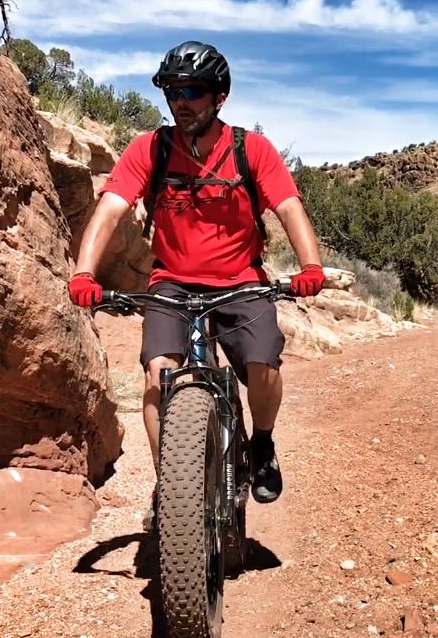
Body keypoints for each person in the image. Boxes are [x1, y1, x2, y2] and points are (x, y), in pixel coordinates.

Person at [66, 40, 324, 509]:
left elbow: (289, 208)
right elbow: (110, 210)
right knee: (157, 376)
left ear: (218, 96)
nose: (181, 102)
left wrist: (310, 267)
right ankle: (173, 488)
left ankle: (262, 443)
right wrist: (84, 273)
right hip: (172, 282)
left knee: (263, 366)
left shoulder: (252, 149)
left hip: (242, 281)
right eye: (173, 91)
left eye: (193, 91)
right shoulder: (151, 149)